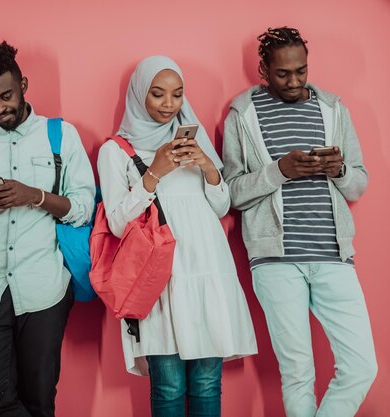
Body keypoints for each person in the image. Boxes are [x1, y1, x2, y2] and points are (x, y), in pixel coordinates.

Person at [222, 27, 378, 417]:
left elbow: (358, 183)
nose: (294, 82)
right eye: (282, 74)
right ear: (263, 68)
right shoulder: (243, 113)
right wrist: (279, 171)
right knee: (297, 372)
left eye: (301, 71)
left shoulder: (332, 108)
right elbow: (231, 192)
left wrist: (339, 168)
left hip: (333, 253)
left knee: (362, 366)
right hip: (275, 259)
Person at [97, 55, 257, 417]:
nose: (169, 105)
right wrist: (153, 173)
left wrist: (206, 166)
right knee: (168, 386)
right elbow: (119, 224)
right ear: (140, 94)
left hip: (207, 269)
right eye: (157, 94)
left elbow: (220, 207)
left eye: (177, 94)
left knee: (207, 383)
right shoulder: (115, 151)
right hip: (159, 278)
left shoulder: (195, 139)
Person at [0, 41, 95, 417]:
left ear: (23, 84)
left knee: (39, 398)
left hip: (43, 286)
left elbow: (82, 207)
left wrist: (35, 196)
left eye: (6, 96)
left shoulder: (61, 136)